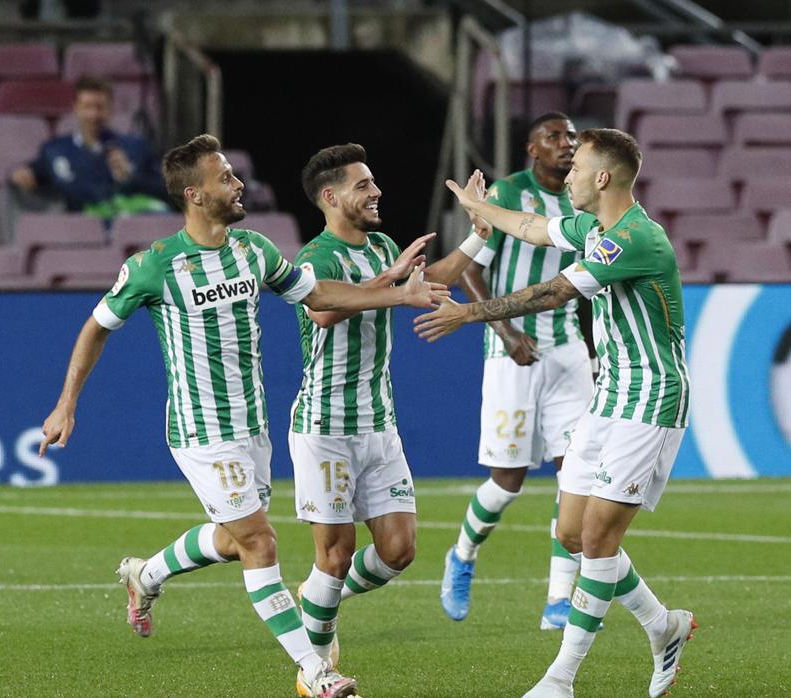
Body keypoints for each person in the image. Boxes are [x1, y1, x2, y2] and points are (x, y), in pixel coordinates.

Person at [38, 134, 449, 698]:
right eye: (225, 177)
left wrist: (390, 290)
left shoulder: (254, 250)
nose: (238, 184)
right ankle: (316, 671)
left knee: (234, 541)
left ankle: (146, 573)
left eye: (234, 174)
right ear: (195, 194)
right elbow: (95, 328)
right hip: (201, 431)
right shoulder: (154, 266)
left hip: (252, 427)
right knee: (261, 543)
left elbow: (318, 297)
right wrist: (66, 404)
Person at [417, 128, 695, 698]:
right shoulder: (594, 228)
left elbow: (553, 293)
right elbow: (532, 228)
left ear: (602, 177)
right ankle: (662, 624)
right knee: (571, 534)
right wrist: (477, 206)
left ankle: (560, 679)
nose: (566, 174)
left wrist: (469, 315)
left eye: (577, 168)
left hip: (651, 397)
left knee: (596, 537)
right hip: (610, 395)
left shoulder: (635, 239)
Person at [288, 143, 494, 696]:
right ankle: (316, 670)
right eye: (363, 185)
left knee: (399, 551)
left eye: (374, 182)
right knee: (333, 555)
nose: (376, 192)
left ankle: (318, 600)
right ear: (330, 197)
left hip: (379, 424)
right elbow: (323, 310)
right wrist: (392, 284)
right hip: (325, 427)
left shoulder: (380, 245)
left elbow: (434, 279)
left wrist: (479, 234)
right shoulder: (317, 256)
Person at [441, 112, 597, 630]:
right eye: (554, 136)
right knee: (507, 481)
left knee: (574, 475)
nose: (566, 144)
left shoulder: (584, 200)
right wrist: (507, 334)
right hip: (511, 353)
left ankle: (558, 599)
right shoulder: (509, 194)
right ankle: (462, 555)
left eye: (572, 136)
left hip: (568, 350)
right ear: (532, 148)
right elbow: (470, 268)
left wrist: (593, 346)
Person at [9, 75, 167, 216]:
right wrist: (20, 174)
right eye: (87, 107)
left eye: (99, 107)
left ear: (110, 109)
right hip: (74, 233)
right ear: (76, 108)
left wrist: (131, 178)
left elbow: (167, 190)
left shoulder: (135, 147)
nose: (93, 115)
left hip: (126, 230)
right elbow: (31, 174)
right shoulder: (54, 150)